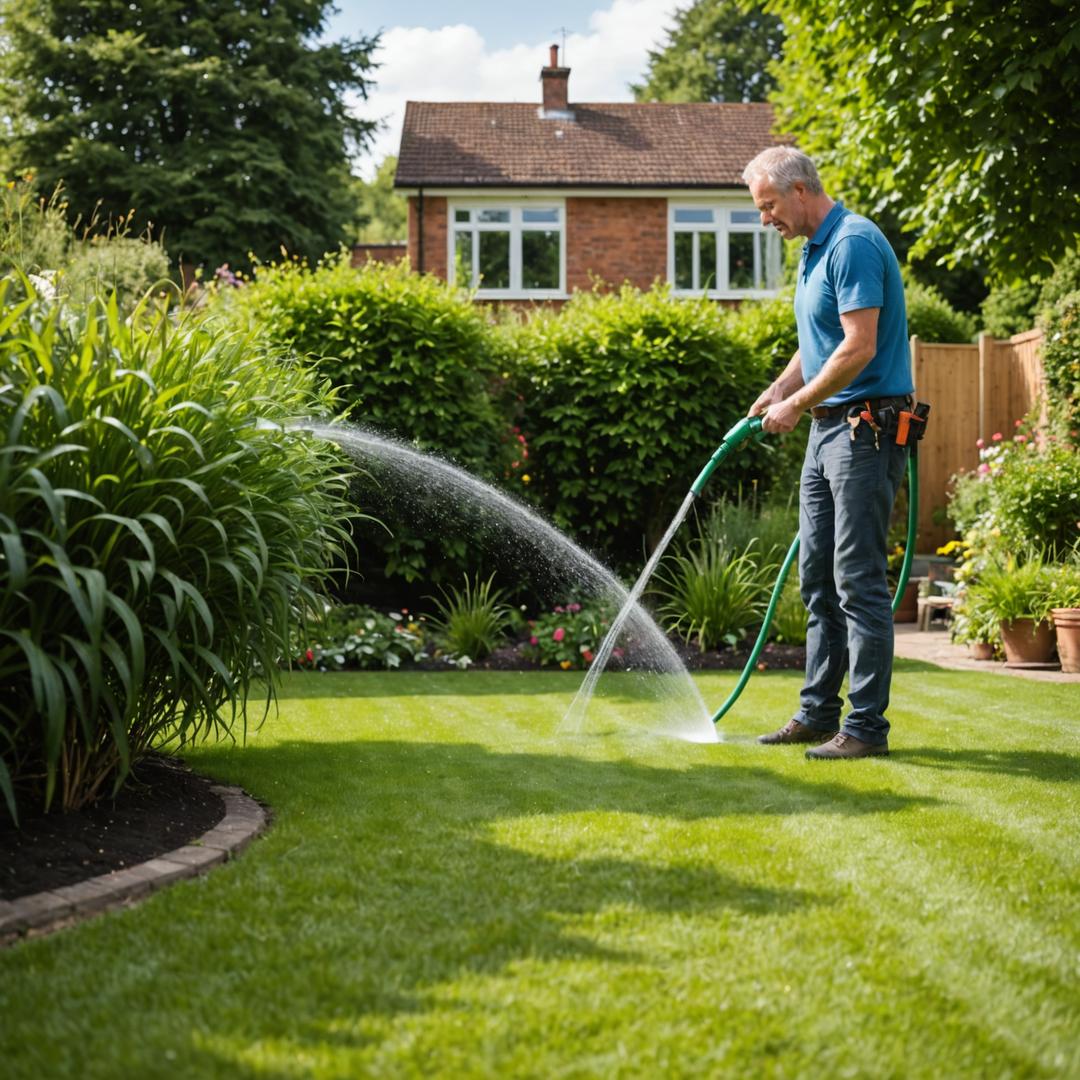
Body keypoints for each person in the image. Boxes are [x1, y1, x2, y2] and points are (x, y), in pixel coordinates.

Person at [742, 146, 914, 759]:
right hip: (827, 432)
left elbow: (859, 346)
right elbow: (820, 340)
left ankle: (865, 729)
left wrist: (795, 404)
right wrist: (780, 388)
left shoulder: (853, 242)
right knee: (817, 579)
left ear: (800, 190)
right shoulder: (814, 251)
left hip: (865, 430)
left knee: (858, 580)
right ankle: (818, 714)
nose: (765, 219)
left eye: (768, 205)